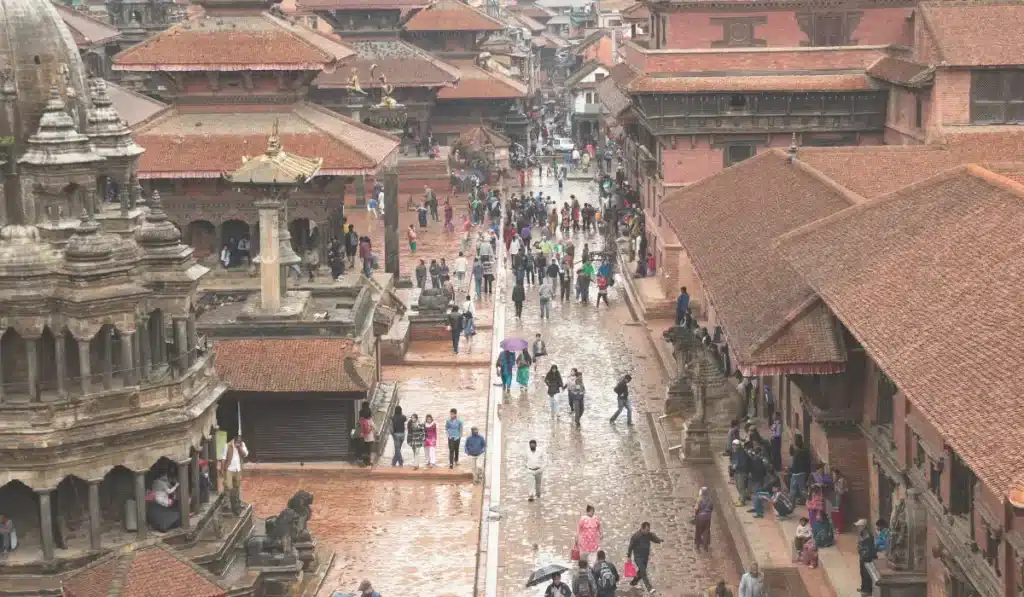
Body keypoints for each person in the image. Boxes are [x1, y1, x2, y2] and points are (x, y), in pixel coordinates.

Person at [627, 521, 662, 593]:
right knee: (643, 572)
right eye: (647, 530)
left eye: (649, 530)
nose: (648, 531)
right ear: (642, 529)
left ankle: (634, 582)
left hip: (645, 557)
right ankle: (649, 588)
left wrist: (659, 540)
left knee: (641, 572)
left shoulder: (648, 534)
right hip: (638, 558)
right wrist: (629, 557)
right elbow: (630, 547)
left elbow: (654, 538)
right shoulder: (636, 536)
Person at [220, 435, 248, 514]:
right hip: (229, 469)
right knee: (228, 486)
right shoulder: (227, 445)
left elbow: (245, 454)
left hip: (237, 469)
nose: (238, 442)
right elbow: (223, 458)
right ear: (234, 440)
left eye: (240, 441)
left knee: (237, 486)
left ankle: (237, 502)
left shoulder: (242, 445)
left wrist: (239, 448)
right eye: (237, 441)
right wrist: (222, 469)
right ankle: (226, 504)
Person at [856, 518, 877, 595]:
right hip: (863, 556)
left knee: (866, 574)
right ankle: (863, 588)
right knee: (862, 573)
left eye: (859, 526)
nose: (857, 528)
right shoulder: (862, 533)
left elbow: (865, 546)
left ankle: (868, 590)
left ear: (863, 526)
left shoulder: (867, 534)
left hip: (867, 557)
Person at [694, 486, 714, 551]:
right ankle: (706, 546)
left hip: (700, 517)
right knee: (706, 531)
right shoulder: (710, 500)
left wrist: (695, 514)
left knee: (698, 531)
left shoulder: (699, 500)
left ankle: (698, 545)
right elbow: (711, 508)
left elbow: (696, 508)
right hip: (708, 518)